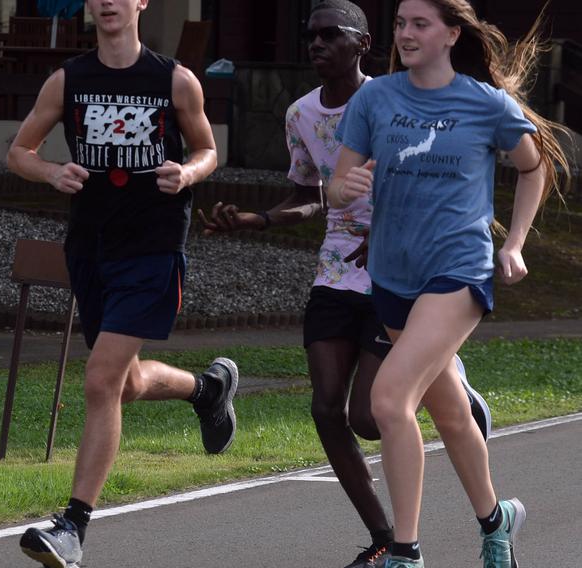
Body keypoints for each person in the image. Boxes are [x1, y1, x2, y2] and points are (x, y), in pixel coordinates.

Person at [199, 2, 491, 567]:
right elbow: (310, 191)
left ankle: (447, 377)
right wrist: (258, 220)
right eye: (311, 36)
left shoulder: (397, 102)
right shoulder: (300, 115)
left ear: (363, 44)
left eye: (331, 35)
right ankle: (387, 540)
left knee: (369, 417)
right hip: (335, 273)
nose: (317, 44)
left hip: (397, 272)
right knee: (327, 409)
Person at [328, 0, 570, 566]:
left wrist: (513, 244)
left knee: (389, 400)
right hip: (392, 274)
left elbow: (535, 167)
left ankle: (405, 552)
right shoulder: (375, 98)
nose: (406, 34)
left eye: (420, 24)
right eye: (400, 24)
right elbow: (336, 185)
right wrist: (347, 188)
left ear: (450, 35)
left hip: (458, 269)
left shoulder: (485, 104)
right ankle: (497, 520)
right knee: (450, 411)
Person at [6, 0, 234, 566]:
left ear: (140, 3)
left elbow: (208, 150)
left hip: (153, 247)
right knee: (123, 383)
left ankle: (73, 526)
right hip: (92, 246)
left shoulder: (174, 80)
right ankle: (206, 392)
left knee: (100, 379)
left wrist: (188, 172)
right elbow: (18, 152)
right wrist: (51, 170)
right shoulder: (68, 80)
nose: (107, 2)